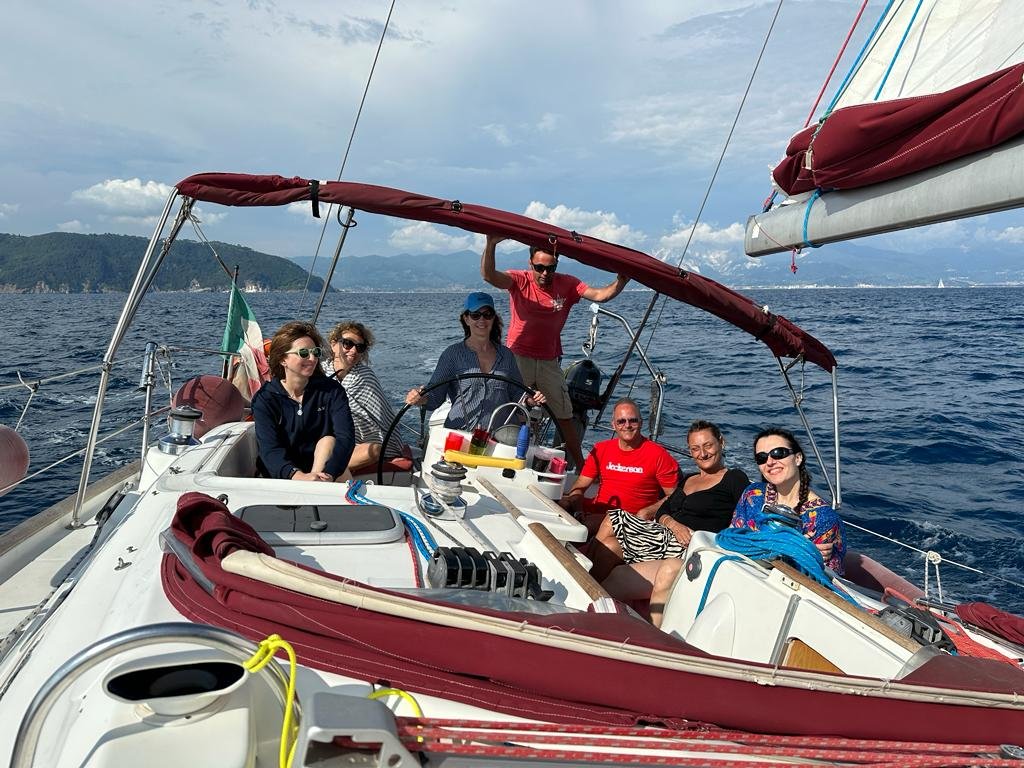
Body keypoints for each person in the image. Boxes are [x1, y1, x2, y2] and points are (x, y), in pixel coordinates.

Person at [481, 234, 630, 468]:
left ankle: (580, 465)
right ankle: (491, 458)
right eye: (539, 267)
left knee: (564, 415)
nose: (544, 273)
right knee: (510, 410)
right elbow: (489, 276)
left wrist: (622, 279)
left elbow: (602, 295)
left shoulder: (568, 284)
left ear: (557, 265)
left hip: (549, 360)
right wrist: (491, 243)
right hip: (518, 357)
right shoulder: (520, 280)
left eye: (550, 268)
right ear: (531, 264)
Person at [600, 420, 750, 623]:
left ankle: (586, 588)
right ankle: (585, 587)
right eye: (695, 449)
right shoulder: (688, 479)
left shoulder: (734, 478)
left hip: (688, 546)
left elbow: (749, 513)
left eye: (708, 446)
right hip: (662, 536)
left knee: (611, 524)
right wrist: (672, 523)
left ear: (721, 443)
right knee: (610, 539)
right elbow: (663, 510)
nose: (703, 454)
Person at [559, 398, 678, 580]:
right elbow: (580, 487)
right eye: (621, 421)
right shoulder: (601, 449)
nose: (627, 425)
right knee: (571, 528)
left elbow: (675, 495)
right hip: (597, 514)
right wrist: (573, 504)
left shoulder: (657, 455)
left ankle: (584, 581)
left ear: (641, 423)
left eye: (633, 420)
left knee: (604, 543)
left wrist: (648, 510)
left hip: (632, 521)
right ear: (613, 425)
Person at [405, 292, 545, 430]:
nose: (482, 320)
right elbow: (435, 396)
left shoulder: (506, 355)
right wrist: (420, 398)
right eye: (475, 315)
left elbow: (517, 394)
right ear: (466, 319)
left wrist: (530, 400)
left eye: (487, 315)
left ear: (493, 318)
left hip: (500, 436)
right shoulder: (452, 355)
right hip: (461, 433)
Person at [730, 426, 847, 574]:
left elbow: (820, 578)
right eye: (761, 457)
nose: (770, 462)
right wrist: (793, 548)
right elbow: (731, 538)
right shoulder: (753, 495)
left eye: (778, 453)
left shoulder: (823, 518)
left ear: (798, 458)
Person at [251, 321, 355, 481]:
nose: (312, 358)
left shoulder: (332, 391)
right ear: (282, 359)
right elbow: (269, 449)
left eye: (316, 352)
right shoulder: (266, 399)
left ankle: (316, 488)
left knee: (328, 441)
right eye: (304, 353)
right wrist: (297, 476)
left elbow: (345, 438)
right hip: (283, 476)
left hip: (324, 472)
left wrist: (329, 473)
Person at [324, 321, 405, 471]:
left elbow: (381, 421)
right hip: (323, 440)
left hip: (358, 445)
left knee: (374, 450)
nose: (353, 350)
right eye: (348, 344)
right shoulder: (319, 374)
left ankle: (326, 470)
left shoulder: (365, 376)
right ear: (334, 344)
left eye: (360, 347)